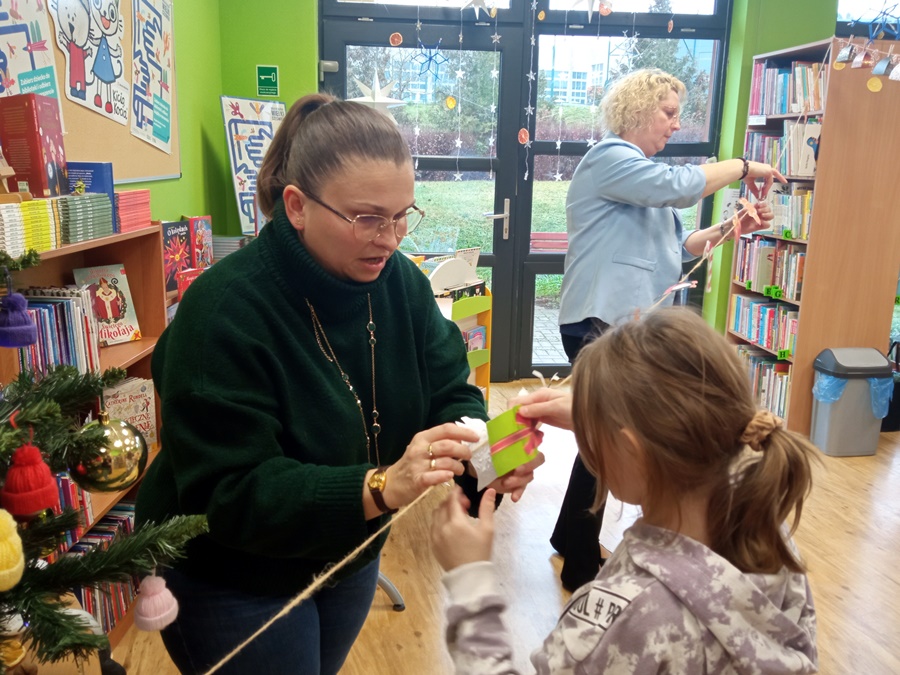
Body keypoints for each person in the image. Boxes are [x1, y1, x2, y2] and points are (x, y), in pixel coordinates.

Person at [134, 93, 542, 674]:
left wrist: (486, 454)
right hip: (232, 576)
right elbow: (229, 496)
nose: (392, 238)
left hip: (348, 553)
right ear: (296, 206)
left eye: (403, 215)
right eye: (368, 218)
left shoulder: (400, 283)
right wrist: (381, 485)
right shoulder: (222, 312)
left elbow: (448, 386)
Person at [432, 307, 819, 674]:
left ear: (632, 449)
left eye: (594, 438)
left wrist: (470, 586)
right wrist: (598, 416)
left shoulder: (624, 618)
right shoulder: (768, 532)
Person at [552, 68, 786, 591]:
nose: (676, 124)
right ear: (637, 110)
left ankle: (571, 539)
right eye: (668, 112)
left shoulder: (637, 176)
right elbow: (681, 188)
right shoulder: (609, 159)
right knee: (612, 438)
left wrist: (733, 227)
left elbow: (679, 248)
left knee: (602, 435)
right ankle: (580, 559)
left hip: (618, 323)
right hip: (599, 320)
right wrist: (744, 165)